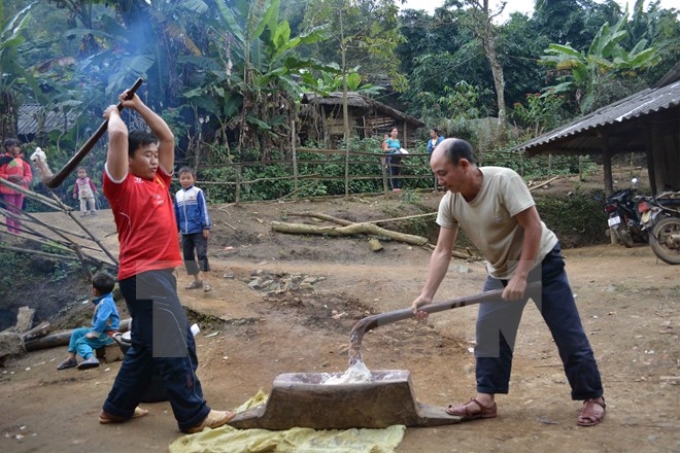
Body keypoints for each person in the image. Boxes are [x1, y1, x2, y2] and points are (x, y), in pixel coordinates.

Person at [411, 138, 606, 427]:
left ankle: (593, 397)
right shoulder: (450, 202)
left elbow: (532, 227)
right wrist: (427, 294)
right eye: (436, 174)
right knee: (489, 332)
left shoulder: (504, 181)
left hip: (542, 263)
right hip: (500, 271)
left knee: (566, 332)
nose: (439, 181)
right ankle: (485, 400)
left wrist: (523, 275)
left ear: (463, 165)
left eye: (443, 173)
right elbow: (442, 250)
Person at [99, 89, 234, 433]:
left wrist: (137, 105)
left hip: (159, 274)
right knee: (175, 341)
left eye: (155, 155)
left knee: (145, 345)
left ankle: (116, 407)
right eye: (146, 156)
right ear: (128, 161)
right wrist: (112, 113)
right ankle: (193, 415)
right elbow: (117, 134)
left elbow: (167, 137)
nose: (155, 159)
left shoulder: (160, 181)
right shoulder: (121, 186)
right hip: (143, 275)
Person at [57, 271, 120, 371]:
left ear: (96, 291)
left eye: (92, 287)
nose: (91, 289)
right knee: (76, 333)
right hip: (103, 332)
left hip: (108, 335)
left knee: (80, 342)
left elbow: (102, 319)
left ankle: (91, 358)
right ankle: (71, 359)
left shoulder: (106, 302)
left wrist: (94, 334)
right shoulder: (105, 299)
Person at [174, 166, 212, 292]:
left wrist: (206, 226)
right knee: (188, 256)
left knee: (201, 255)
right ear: (179, 180)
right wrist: (176, 230)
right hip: (185, 232)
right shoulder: (178, 195)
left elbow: (203, 210)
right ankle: (197, 280)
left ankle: (206, 281)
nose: (185, 180)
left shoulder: (198, 192)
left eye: (188, 178)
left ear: (194, 178)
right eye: (183, 178)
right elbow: (176, 215)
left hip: (198, 231)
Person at [0, 138, 32, 234]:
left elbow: (29, 174)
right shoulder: (3, 161)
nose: (17, 148)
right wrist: (10, 177)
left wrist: (24, 180)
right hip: (7, 189)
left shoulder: (22, 161)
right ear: (8, 147)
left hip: (20, 189)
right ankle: (11, 232)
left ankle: (18, 232)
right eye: (14, 146)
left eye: (18, 146)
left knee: (18, 211)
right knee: (10, 211)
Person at [383, 127, 402, 192]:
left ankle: (397, 187)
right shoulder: (388, 140)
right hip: (391, 157)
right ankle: (393, 187)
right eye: (393, 131)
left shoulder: (398, 141)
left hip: (397, 158)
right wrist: (391, 149)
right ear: (391, 133)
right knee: (392, 171)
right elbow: (385, 149)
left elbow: (399, 148)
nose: (395, 133)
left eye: (396, 131)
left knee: (397, 172)